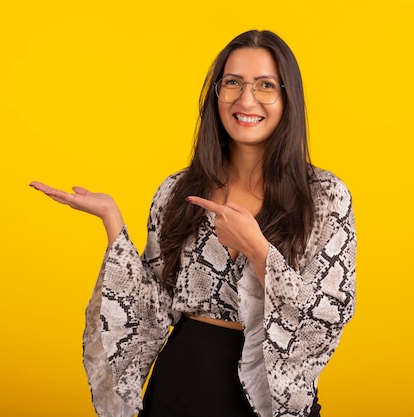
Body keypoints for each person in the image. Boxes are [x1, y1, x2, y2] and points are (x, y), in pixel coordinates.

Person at [30, 29, 356, 417]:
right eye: (232, 82)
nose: (246, 99)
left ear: (288, 97)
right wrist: (113, 222)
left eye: (265, 85)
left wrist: (257, 249)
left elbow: (326, 316)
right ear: (216, 92)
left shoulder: (324, 196)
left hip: (272, 396)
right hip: (180, 389)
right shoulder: (176, 192)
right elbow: (151, 307)